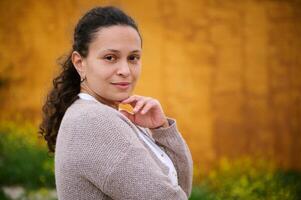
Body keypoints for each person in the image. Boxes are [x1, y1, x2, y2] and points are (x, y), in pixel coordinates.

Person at [39, 6, 193, 200]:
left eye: (133, 58)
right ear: (80, 63)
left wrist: (161, 129)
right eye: (110, 58)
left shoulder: (118, 116)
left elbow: (181, 189)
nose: (125, 70)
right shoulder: (94, 121)